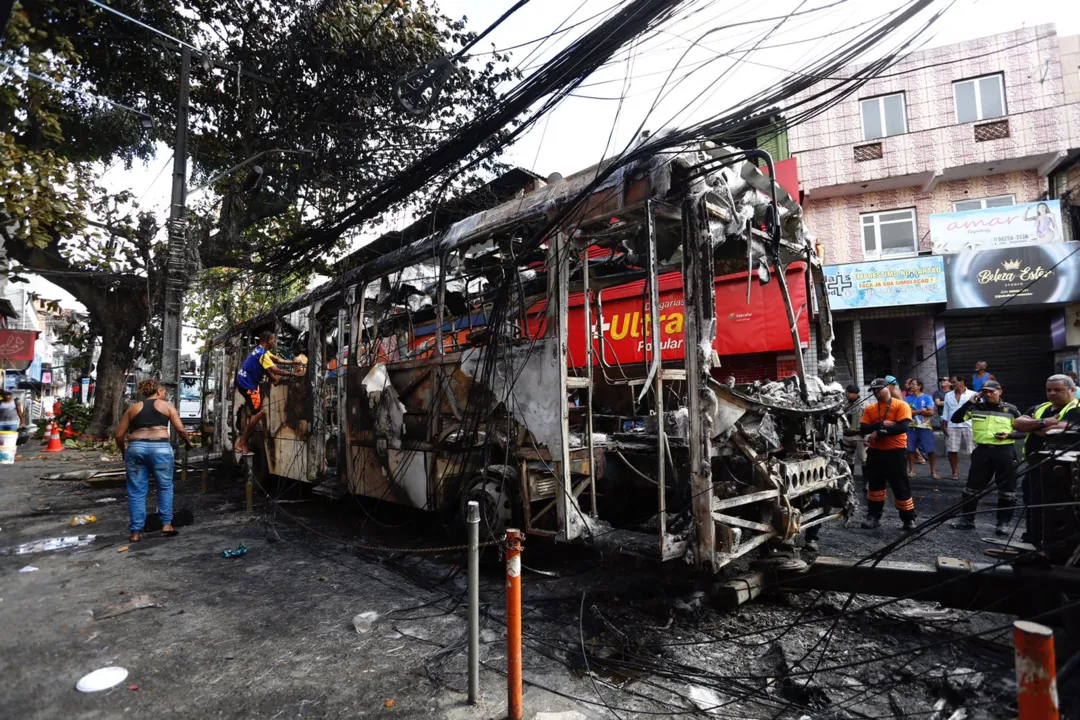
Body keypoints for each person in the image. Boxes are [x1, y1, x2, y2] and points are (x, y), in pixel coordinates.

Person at [114, 380, 193, 542]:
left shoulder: (133, 408)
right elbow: (180, 429)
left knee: (136, 491)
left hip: (135, 448)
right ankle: (166, 525)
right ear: (158, 391)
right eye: (164, 392)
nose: (165, 395)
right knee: (164, 487)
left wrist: (124, 452)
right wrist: (188, 442)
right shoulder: (166, 406)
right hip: (160, 448)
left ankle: (135, 532)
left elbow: (119, 436)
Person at [1012, 374, 1080, 543]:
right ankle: (1032, 538)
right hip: (1034, 466)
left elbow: (1056, 430)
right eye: (1049, 390)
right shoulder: (1042, 407)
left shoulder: (1076, 409)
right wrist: (1044, 422)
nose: (1052, 393)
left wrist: (1033, 424)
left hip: (1064, 471)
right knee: (1032, 502)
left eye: (1058, 390)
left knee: (1058, 507)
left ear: (1072, 389)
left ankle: (1055, 544)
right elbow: (1016, 424)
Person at [949, 380, 1021, 535]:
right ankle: (967, 520)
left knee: (1007, 490)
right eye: (985, 392)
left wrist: (1010, 435)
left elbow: (1024, 430)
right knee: (971, 488)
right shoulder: (976, 408)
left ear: (1000, 391)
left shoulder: (1011, 410)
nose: (988, 394)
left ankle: (1003, 523)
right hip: (982, 452)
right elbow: (955, 419)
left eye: (991, 391)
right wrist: (969, 402)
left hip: (1005, 452)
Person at [858, 378, 917, 531]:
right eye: (874, 391)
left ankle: (908, 518)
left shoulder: (901, 405)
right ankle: (873, 516)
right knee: (875, 485)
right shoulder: (870, 408)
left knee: (900, 486)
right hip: (876, 452)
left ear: (888, 388)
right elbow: (863, 429)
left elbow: (902, 427)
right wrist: (881, 425)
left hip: (895, 452)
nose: (877, 393)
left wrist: (878, 432)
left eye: (879, 389)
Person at [234, 331, 302, 455]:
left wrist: (293, 363)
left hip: (242, 380)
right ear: (268, 340)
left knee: (266, 368)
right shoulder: (262, 355)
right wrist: (294, 374)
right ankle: (241, 442)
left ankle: (274, 379)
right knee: (257, 415)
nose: (274, 343)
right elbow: (275, 369)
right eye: (273, 340)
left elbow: (277, 360)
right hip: (248, 385)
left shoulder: (260, 350)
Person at [942, 375, 978, 481]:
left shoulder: (973, 394)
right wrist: (944, 424)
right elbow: (946, 411)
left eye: (954, 382)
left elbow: (978, 410)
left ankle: (974, 471)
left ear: (961, 382)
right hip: (952, 425)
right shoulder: (948, 395)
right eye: (951, 383)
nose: (952, 384)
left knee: (974, 450)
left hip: (969, 425)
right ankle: (954, 471)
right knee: (952, 449)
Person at [906, 380, 938, 479]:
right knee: (910, 449)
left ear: (920, 386)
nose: (911, 386)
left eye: (914, 384)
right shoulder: (906, 399)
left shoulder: (927, 397)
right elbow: (906, 413)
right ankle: (911, 470)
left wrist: (914, 412)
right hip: (911, 426)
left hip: (925, 427)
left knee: (930, 450)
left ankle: (933, 471)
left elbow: (931, 412)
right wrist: (921, 411)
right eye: (910, 385)